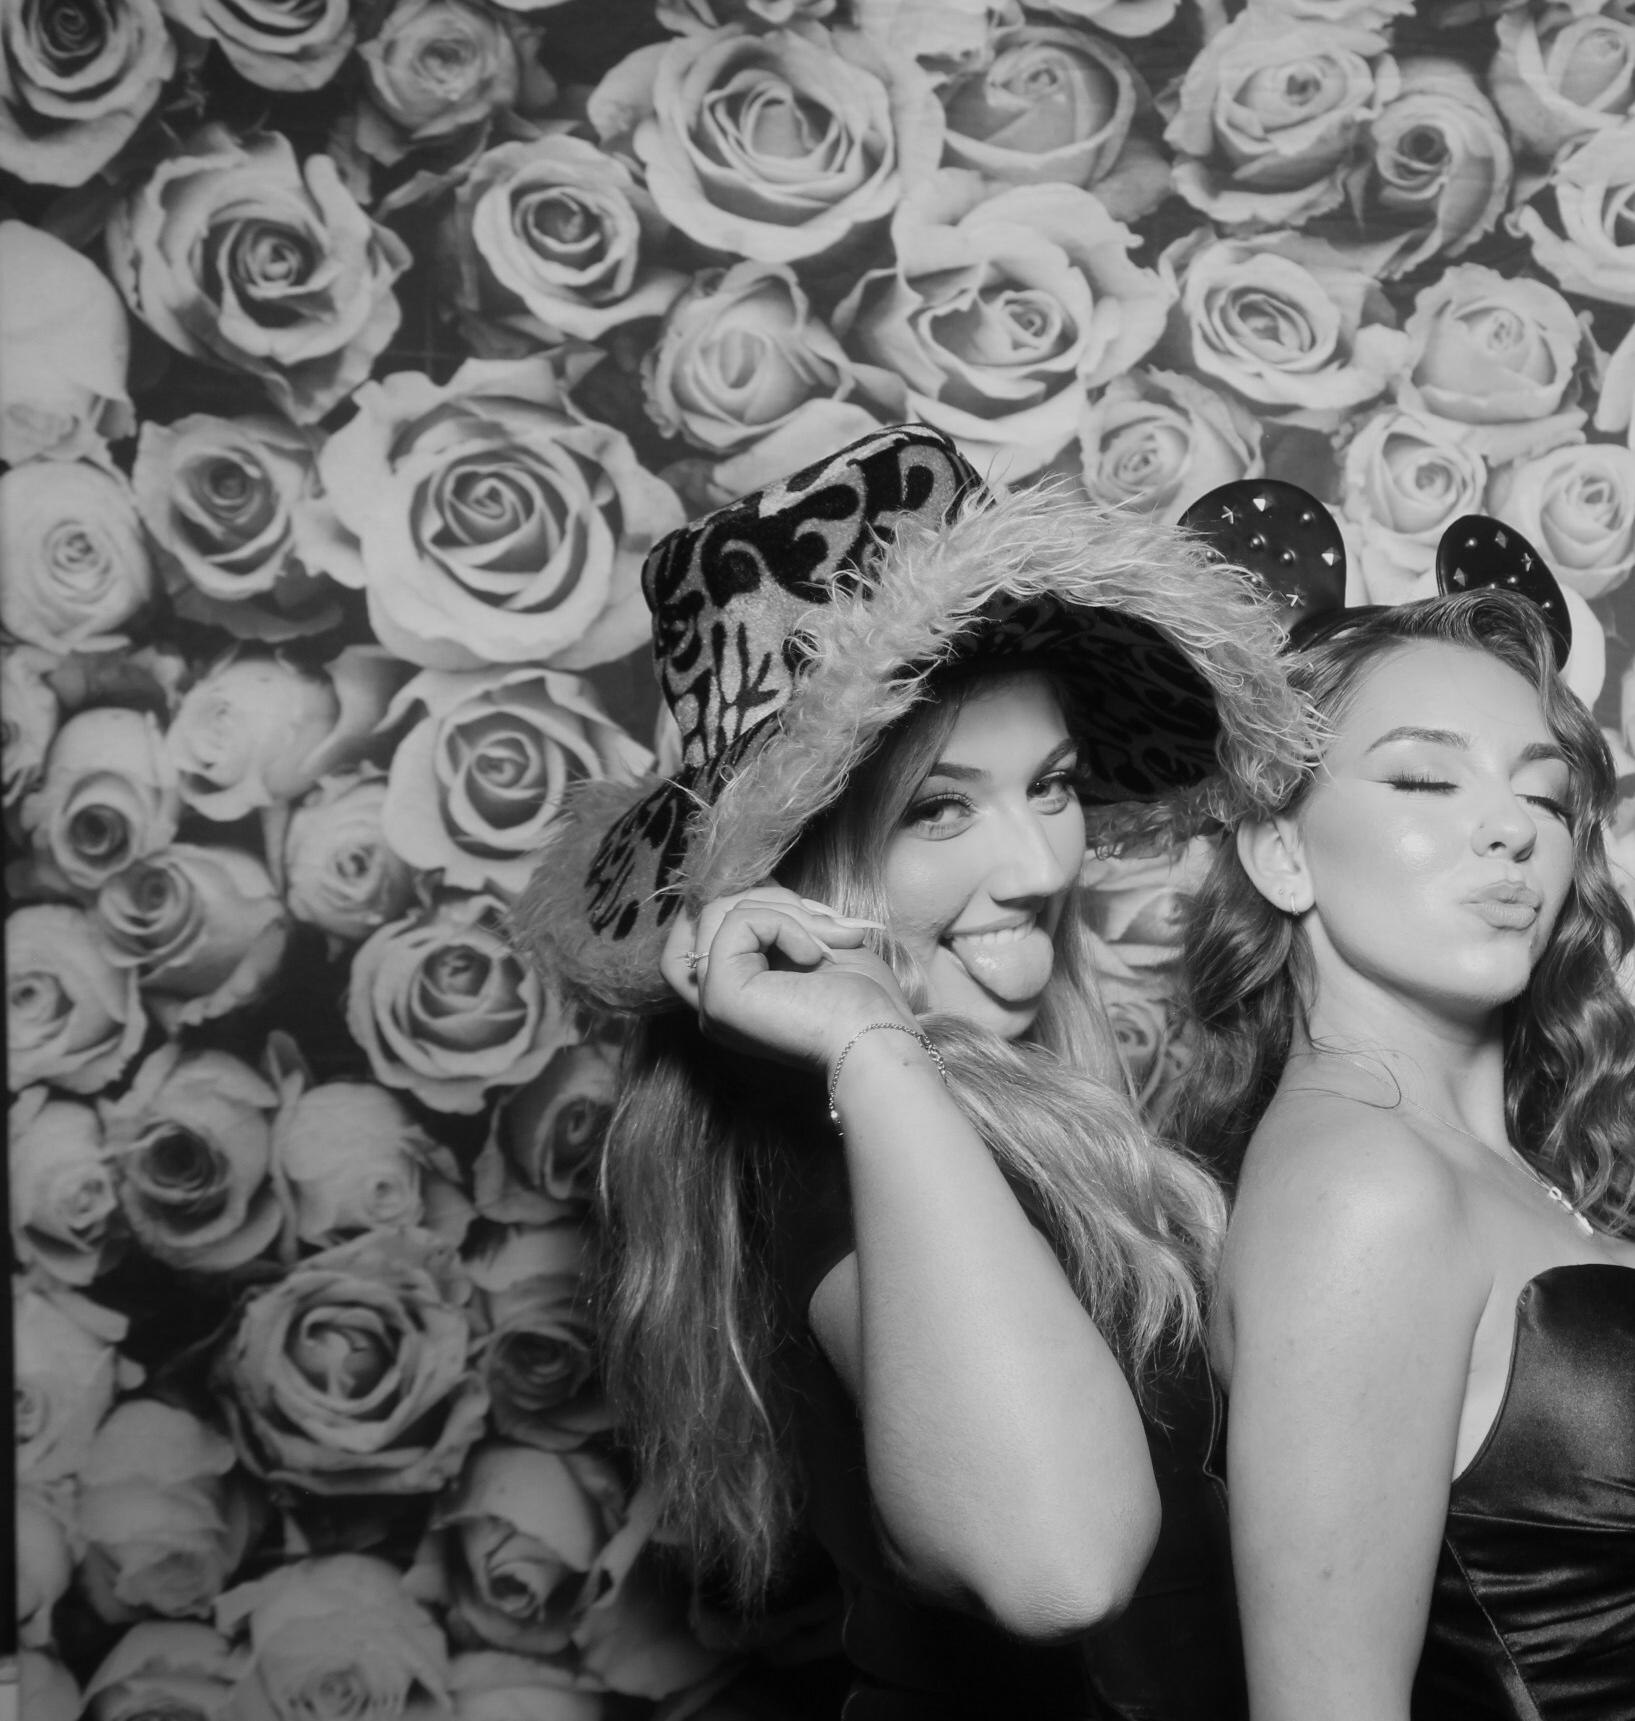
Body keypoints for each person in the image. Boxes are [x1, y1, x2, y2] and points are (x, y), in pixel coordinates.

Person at [513, 424, 1309, 1721]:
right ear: (801, 863)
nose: (1041, 866)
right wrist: (870, 1048)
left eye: (1052, 787)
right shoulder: (839, 1142)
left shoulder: (974, 1110)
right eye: (940, 807)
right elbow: (1061, 1570)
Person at [1159, 589, 1635, 1721]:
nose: (1513, 828)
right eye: (1426, 779)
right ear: (1281, 853)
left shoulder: (1511, 1162)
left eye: (1544, 794)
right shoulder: (1361, 1190)